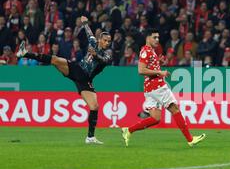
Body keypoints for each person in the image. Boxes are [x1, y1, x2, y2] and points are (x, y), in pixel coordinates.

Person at [16, 16, 112, 144]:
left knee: (94, 106)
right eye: (105, 40)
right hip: (76, 68)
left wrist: (96, 55)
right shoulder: (94, 42)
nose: (107, 43)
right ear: (100, 40)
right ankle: (25, 53)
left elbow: (105, 61)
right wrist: (85, 23)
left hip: (85, 79)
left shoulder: (108, 53)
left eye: (109, 41)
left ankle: (90, 137)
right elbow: (89, 32)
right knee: (55, 60)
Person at [121, 29, 206, 148]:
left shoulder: (150, 51)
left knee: (155, 118)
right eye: (154, 37)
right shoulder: (146, 51)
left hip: (150, 88)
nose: (157, 40)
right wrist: (160, 72)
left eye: (158, 37)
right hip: (157, 86)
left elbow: (149, 68)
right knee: (175, 109)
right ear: (148, 38)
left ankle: (128, 130)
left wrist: (158, 63)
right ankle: (190, 139)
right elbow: (141, 70)